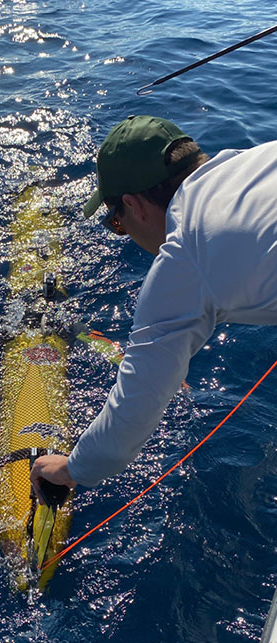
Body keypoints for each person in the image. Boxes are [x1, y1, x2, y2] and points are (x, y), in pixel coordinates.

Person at [30, 114, 277, 499]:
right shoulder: (259, 160)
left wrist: (72, 467)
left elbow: (135, 406)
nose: (125, 232)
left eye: (118, 221)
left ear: (134, 205)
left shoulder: (185, 255)